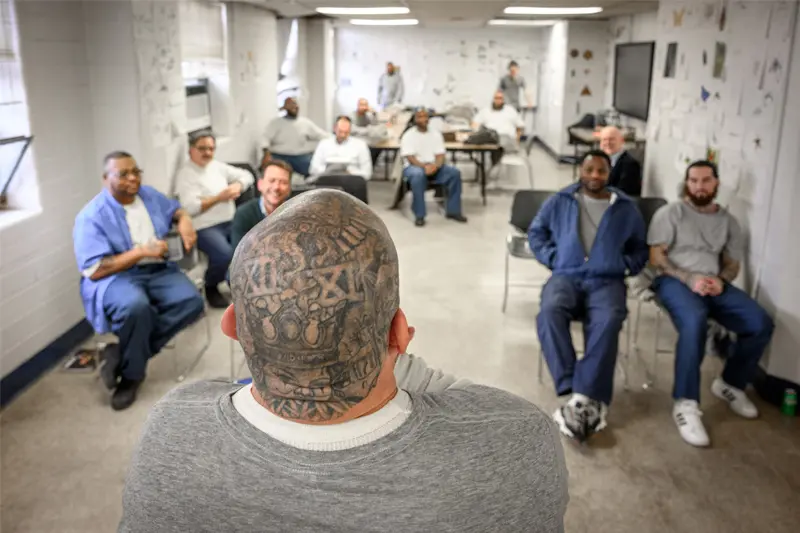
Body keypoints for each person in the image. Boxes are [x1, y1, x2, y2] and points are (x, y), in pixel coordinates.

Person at [119, 189, 568, 532]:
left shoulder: (171, 428)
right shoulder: (520, 440)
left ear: (233, 325)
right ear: (399, 332)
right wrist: (396, 360)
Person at [647, 160, 774, 448]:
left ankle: (730, 383)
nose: (699, 186)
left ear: (716, 183)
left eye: (705, 181)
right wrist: (688, 277)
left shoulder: (729, 222)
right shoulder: (671, 213)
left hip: (714, 283)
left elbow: (732, 264)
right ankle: (686, 403)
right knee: (695, 322)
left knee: (759, 323)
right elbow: (656, 258)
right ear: (686, 183)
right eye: (693, 180)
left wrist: (721, 279)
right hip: (675, 280)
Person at [529, 150, 648, 443]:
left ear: (609, 174)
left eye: (601, 171)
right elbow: (536, 233)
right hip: (566, 275)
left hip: (606, 280)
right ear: (580, 171)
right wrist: (554, 258)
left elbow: (639, 249)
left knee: (609, 318)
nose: (595, 176)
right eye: (590, 169)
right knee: (549, 312)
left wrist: (622, 265)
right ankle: (575, 390)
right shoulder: (560, 200)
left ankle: (582, 397)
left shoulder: (625, 208)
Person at [73, 151, 205, 411]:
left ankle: (123, 355)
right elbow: (96, 269)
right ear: (105, 178)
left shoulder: (148, 195)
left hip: (157, 270)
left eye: (136, 171)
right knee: (136, 307)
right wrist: (142, 251)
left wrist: (185, 219)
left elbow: (173, 209)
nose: (133, 178)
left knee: (192, 301)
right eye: (123, 174)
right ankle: (131, 378)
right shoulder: (91, 217)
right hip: (115, 277)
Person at [174, 132, 254, 308]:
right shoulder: (186, 174)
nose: (207, 153)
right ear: (191, 150)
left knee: (248, 248)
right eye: (202, 148)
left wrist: (238, 185)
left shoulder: (216, 166)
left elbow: (248, 175)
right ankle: (211, 285)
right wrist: (219, 197)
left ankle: (236, 282)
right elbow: (190, 207)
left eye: (211, 148)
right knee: (224, 254)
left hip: (231, 220)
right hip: (205, 226)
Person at [400, 108, 468, 227]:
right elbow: (410, 157)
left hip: (434, 166)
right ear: (415, 119)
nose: (423, 119)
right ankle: (420, 215)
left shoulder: (435, 134)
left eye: (425, 116)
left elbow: (440, 155)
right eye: (420, 117)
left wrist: (435, 166)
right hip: (414, 166)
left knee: (454, 173)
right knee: (418, 175)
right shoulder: (408, 135)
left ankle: (453, 211)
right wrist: (424, 167)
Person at [230, 160, 293, 252]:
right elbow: (238, 255)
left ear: (289, 189)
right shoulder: (244, 213)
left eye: (283, 182)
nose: (276, 187)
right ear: (260, 184)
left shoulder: (296, 213)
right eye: (271, 181)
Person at [261, 97, 329, 177]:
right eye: (290, 105)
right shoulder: (276, 123)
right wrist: (266, 153)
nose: (294, 107)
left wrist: (336, 137)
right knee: (274, 171)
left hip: (300, 156)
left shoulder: (305, 123)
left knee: (315, 168)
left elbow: (321, 135)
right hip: (279, 155)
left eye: (295, 104)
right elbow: (265, 138)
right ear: (285, 108)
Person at [472, 90, 525, 167]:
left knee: (497, 143)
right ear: (493, 99)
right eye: (496, 98)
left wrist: (517, 140)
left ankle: (492, 166)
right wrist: (477, 130)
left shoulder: (510, 110)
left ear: (503, 100)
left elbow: (520, 126)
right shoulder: (485, 110)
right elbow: (474, 123)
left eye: (500, 98)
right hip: (489, 137)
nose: (498, 100)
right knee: (481, 140)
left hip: (507, 138)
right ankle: (486, 167)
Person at [598, 126, 642, 197]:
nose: (607, 143)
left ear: (622, 141)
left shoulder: (630, 165)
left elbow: (622, 194)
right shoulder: (598, 161)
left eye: (611, 139)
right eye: (604, 139)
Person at [352, 97, 387, 166]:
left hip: (367, 139)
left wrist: (374, 114)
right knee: (371, 149)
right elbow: (353, 130)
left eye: (365, 105)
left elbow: (376, 125)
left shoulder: (367, 115)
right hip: (356, 139)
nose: (364, 107)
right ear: (357, 105)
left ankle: (371, 165)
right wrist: (369, 130)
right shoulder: (352, 115)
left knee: (379, 146)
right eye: (362, 105)